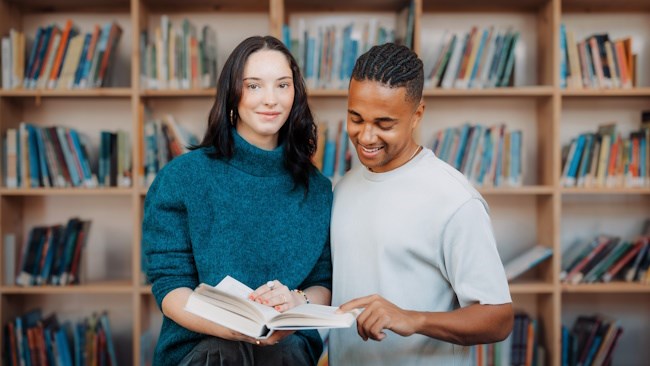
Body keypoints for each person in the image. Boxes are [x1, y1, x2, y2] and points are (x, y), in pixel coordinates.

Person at [142, 35, 333, 366]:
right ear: (232, 94)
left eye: (282, 85)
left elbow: (322, 282)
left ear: (295, 94)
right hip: (200, 347)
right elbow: (170, 287)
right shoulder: (183, 178)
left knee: (279, 352)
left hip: (286, 349)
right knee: (226, 354)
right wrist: (237, 329)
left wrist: (294, 300)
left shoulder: (316, 189)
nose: (270, 99)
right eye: (254, 86)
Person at [328, 42, 514, 365]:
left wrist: (413, 319)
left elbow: (499, 318)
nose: (366, 136)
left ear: (417, 115)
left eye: (384, 124)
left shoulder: (455, 200)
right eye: (356, 118)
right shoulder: (342, 188)